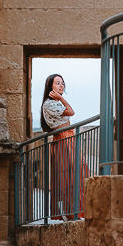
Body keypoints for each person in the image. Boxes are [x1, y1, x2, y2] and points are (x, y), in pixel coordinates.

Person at [40, 74, 75, 218]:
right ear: (50, 87)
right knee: (68, 176)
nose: (62, 86)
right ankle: (69, 213)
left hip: (67, 138)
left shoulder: (55, 103)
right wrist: (61, 98)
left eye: (63, 83)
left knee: (72, 175)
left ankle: (73, 211)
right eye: (58, 83)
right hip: (63, 139)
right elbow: (71, 112)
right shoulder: (50, 103)